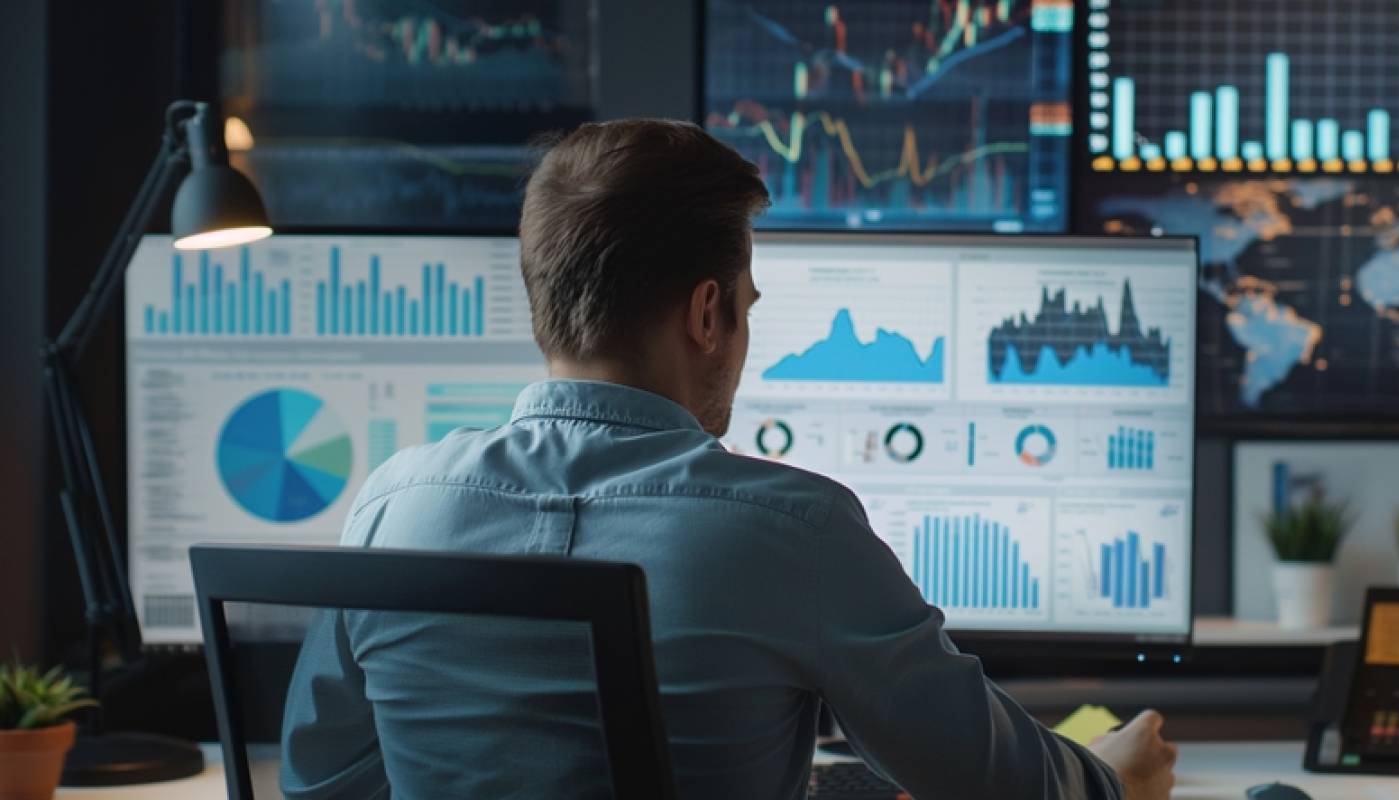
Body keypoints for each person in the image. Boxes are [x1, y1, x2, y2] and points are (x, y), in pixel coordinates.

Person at [279, 119, 1178, 799]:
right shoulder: (796, 530)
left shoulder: (395, 509)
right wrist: (1107, 777)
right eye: (747, 305)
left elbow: (320, 781)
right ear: (708, 315)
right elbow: (992, 781)